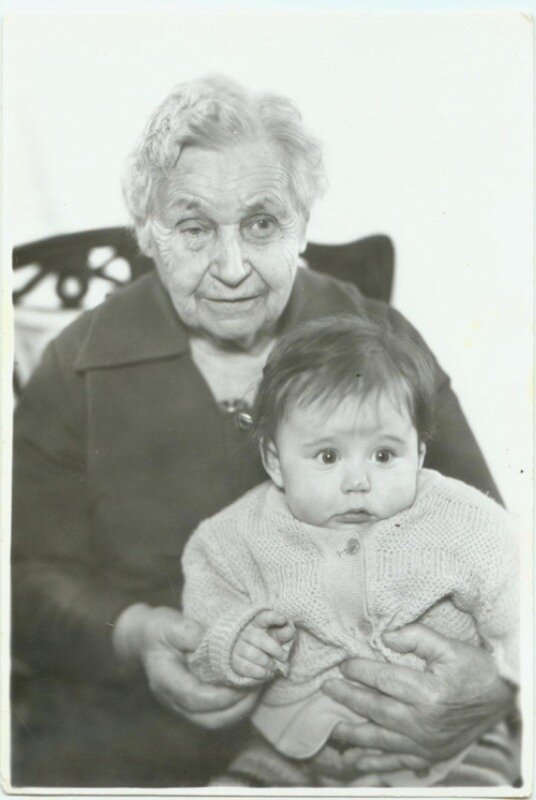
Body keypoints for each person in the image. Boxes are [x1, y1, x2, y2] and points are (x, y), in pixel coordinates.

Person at [11, 74, 516, 788]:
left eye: (261, 224)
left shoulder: (378, 339)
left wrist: (494, 686)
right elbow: (24, 575)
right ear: (148, 234)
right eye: (194, 229)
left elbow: (494, 543)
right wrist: (136, 633)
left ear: (302, 225)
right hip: (138, 727)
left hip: (394, 732)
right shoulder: (78, 363)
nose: (231, 268)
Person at [181, 314, 519, 788]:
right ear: (275, 461)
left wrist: (511, 675)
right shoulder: (238, 534)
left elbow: (517, 595)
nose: (358, 481)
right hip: (296, 744)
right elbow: (208, 602)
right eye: (327, 456)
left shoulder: (463, 521)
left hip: (453, 748)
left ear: (419, 454)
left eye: (384, 455)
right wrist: (233, 641)